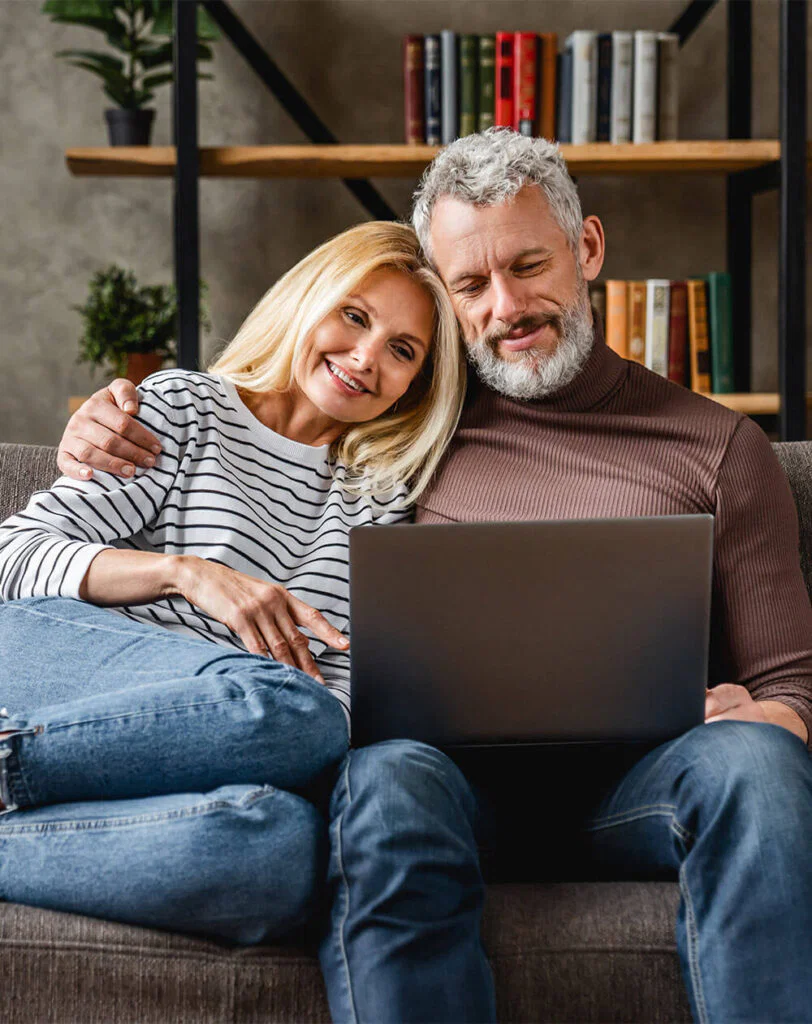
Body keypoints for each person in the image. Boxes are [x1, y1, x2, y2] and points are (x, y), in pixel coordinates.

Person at [59, 129, 812, 1024]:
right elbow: (272, 410)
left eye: (530, 265)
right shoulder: (404, 426)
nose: (507, 306)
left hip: (638, 791)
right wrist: (104, 429)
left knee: (758, 766)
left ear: (589, 248)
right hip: (444, 787)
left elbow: (790, 684)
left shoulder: (721, 447)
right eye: (469, 285)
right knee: (383, 780)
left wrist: (763, 716)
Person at [0, 220, 465, 946]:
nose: (366, 356)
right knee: (289, 709)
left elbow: (338, 699)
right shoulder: (185, 409)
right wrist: (187, 576)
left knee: (277, 849)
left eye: (402, 350)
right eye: (354, 315)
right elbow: (15, 557)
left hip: (201, 754)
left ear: (417, 384)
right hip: (62, 676)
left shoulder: (381, 504)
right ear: (309, 299)